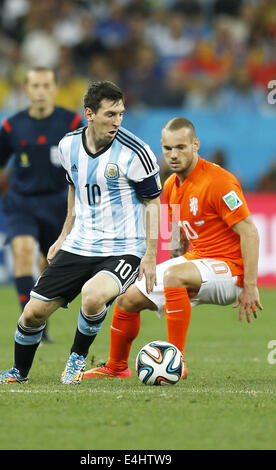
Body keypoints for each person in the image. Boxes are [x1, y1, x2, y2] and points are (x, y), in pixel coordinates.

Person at [0, 80, 162, 385]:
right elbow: (75, 188)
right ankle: (19, 373)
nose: (117, 121)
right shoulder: (68, 145)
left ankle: (77, 358)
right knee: (32, 313)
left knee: (93, 297)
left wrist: (150, 253)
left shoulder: (137, 152)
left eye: (121, 114)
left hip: (123, 247)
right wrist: (63, 235)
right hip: (80, 243)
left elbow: (155, 202)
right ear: (90, 114)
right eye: (110, 114)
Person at [84, 116, 263, 380]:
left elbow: (249, 231)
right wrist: (175, 276)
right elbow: (179, 237)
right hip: (198, 261)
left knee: (173, 276)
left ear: (195, 145)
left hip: (230, 270)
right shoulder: (170, 185)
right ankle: (116, 366)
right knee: (126, 298)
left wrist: (249, 285)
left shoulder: (219, 182)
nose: (173, 155)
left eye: (181, 147)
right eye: (168, 149)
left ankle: (176, 362)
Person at [0, 67, 83, 342]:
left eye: (46, 85)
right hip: (21, 201)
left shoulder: (71, 123)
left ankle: (38, 311)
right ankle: (30, 324)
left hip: (60, 204)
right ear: (25, 89)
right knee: (23, 252)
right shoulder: (12, 126)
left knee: (47, 263)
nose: (41, 91)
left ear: (55, 89)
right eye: (35, 86)